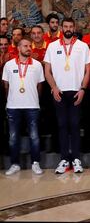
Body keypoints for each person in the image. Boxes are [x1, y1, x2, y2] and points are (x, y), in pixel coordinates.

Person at [44, 17, 90, 174]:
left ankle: (76, 159)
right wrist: (54, 88)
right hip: (59, 92)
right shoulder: (52, 46)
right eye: (65, 26)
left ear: (74, 27)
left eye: (71, 26)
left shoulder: (82, 46)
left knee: (75, 125)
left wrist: (83, 89)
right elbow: (47, 71)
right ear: (61, 28)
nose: (68, 28)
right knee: (62, 125)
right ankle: (64, 159)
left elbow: (88, 70)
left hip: (76, 91)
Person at [2, 38, 44, 175]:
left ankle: (35, 163)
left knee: (34, 136)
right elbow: (6, 86)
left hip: (32, 105)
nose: (28, 48)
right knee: (13, 136)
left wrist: (35, 100)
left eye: (29, 46)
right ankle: (15, 164)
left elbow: (40, 85)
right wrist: (10, 100)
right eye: (25, 46)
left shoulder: (37, 65)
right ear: (18, 48)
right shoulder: (9, 65)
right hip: (13, 106)